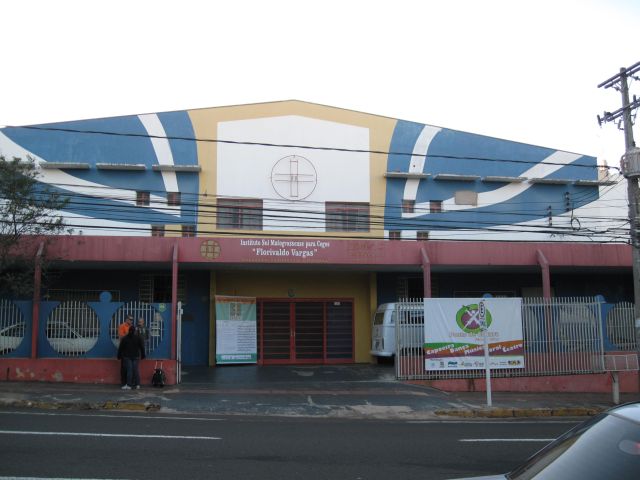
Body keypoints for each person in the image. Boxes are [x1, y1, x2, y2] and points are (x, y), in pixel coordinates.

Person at [117, 325, 146, 390]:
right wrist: (143, 355)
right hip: (136, 356)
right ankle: (137, 384)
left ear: (129, 330)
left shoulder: (125, 338)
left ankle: (129, 385)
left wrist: (119, 356)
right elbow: (142, 347)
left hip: (127, 356)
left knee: (129, 370)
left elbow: (121, 348)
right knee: (136, 370)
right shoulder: (138, 338)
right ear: (135, 331)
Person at [117, 316, 133, 386]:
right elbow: (121, 336)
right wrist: (129, 335)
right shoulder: (122, 326)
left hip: (131, 348)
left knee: (130, 366)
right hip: (124, 348)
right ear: (126, 319)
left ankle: (129, 381)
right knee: (124, 366)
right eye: (130, 319)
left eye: (132, 320)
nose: (131, 321)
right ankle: (123, 382)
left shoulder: (132, 327)